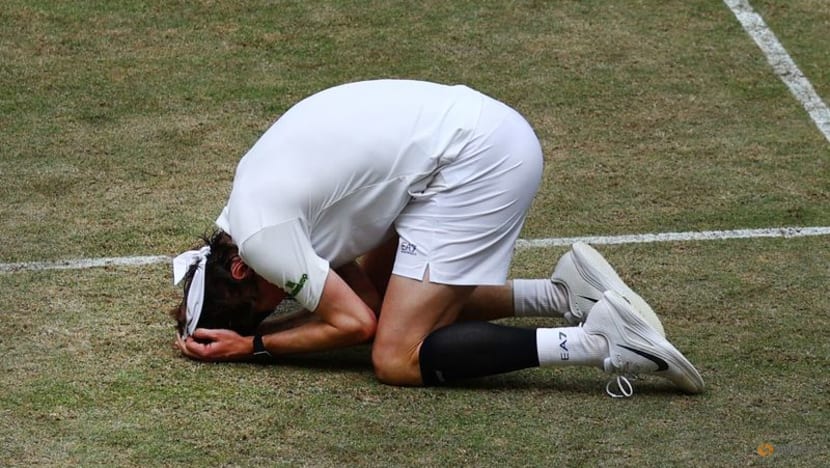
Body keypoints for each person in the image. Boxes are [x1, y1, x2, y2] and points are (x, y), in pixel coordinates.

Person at [172, 79, 703, 397]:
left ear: (240, 270)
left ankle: (598, 341)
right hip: (466, 136)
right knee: (400, 304)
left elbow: (357, 324)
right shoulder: (245, 211)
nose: (281, 298)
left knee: (395, 356)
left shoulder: (264, 242)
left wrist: (257, 345)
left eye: (262, 303)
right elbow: (368, 300)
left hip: (475, 162)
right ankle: (563, 294)